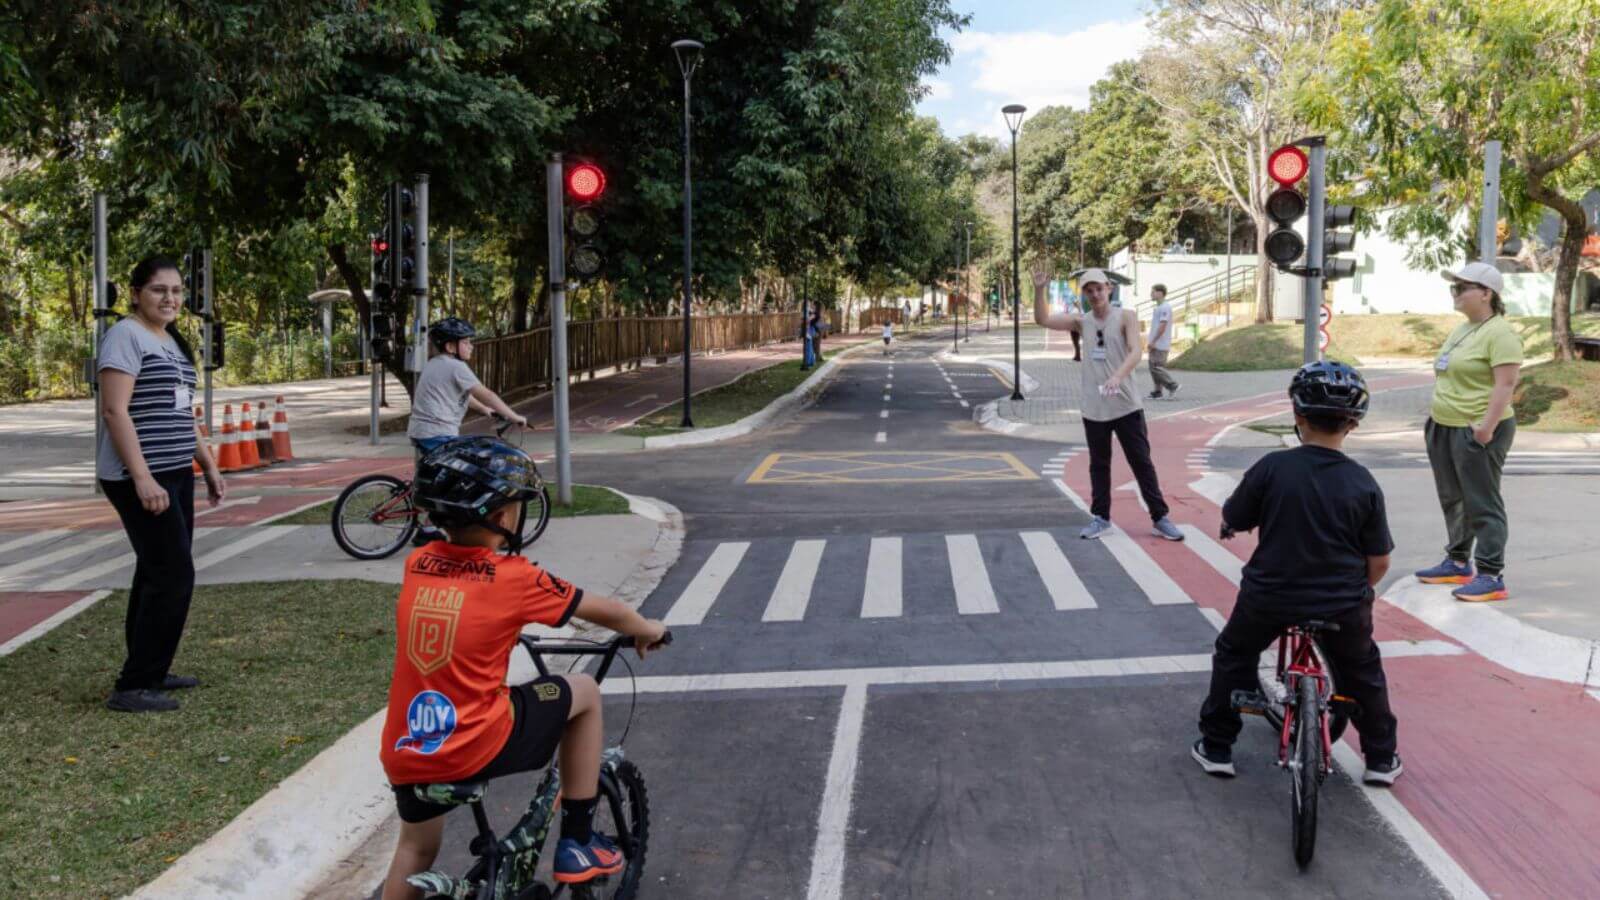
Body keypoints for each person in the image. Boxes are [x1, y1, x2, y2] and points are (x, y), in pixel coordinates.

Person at [379, 438, 670, 900]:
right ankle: (578, 841)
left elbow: (461, 617)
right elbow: (609, 611)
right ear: (501, 516)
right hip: (474, 741)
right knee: (584, 692)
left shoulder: (419, 563)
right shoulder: (515, 578)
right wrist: (649, 628)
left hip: (408, 745)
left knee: (415, 849)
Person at [1192, 361, 1402, 786]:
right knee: (1361, 669)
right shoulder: (1362, 482)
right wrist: (1355, 592)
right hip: (1341, 602)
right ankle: (1381, 758)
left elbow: (1236, 515)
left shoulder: (1272, 467)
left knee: (1235, 654)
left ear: (1297, 415)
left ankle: (1217, 746)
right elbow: (1379, 561)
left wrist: (1234, 522)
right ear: (1353, 424)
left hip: (1270, 597)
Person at [97, 255, 226, 713]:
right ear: (136, 294)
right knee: (173, 574)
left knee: (157, 571)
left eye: (176, 290)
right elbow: (115, 411)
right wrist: (142, 478)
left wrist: (208, 465)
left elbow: (181, 411)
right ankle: (133, 685)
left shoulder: (170, 340)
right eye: (158, 289)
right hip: (141, 476)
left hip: (174, 472)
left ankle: (151, 670)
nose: (170, 298)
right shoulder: (125, 336)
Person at [1033, 268, 1184, 542]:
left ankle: (1160, 517)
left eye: (1099, 289)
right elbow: (1042, 319)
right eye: (1089, 291)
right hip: (1095, 408)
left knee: (1141, 462)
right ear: (1084, 294)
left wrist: (1117, 376)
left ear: (1109, 289)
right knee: (1099, 465)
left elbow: (1136, 351)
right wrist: (1039, 289)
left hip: (1126, 405)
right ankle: (1101, 518)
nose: (1095, 294)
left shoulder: (1126, 316)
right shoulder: (1082, 321)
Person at [1413, 262, 1523, 603]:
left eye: (1462, 288)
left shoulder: (1500, 334)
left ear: (1487, 293)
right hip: (1444, 425)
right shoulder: (1463, 329)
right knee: (1452, 497)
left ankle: (1491, 575)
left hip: (1477, 428)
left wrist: (1486, 428)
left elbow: (1506, 385)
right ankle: (1458, 561)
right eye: (1454, 287)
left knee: (1482, 501)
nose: (1455, 293)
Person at [407, 317, 528, 543]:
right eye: (466, 342)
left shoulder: (436, 363)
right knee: (458, 477)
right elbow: (486, 393)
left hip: (424, 430)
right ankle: (427, 530)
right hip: (438, 431)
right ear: (450, 346)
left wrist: (485, 410)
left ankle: (429, 526)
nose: (471, 346)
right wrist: (514, 416)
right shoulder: (456, 367)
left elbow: (466, 395)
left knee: (443, 477)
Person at [1145, 284, 1181, 400]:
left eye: (1153, 292)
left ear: (1160, 293)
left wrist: (1154, 341)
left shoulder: (1165, 307)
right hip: (1155, 343)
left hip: (1160, 343)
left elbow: (1162, 326)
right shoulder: (1158, 308)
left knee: (1157, 368)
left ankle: (1173, 385)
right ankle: (1158, 392)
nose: (1151, 294)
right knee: (1153, 368)